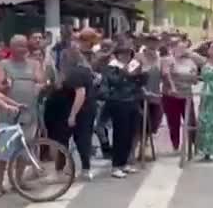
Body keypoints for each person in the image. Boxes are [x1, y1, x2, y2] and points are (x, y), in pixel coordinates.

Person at [0, 35, 45, 196]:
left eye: (24, 46)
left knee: (25, 147)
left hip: (29, 112)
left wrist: (39, 86)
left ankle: (18, 180)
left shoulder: (34, 64)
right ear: (11, 48)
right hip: (9, 112)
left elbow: (41, 80)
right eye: (18, 46)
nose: (22, 49)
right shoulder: (4, 64)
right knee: (4, 149)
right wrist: (5, 85)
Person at [51, 46, 98, 180]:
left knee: (65, 140)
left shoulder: (73, 73)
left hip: (78, 111)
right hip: (87, 110)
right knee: (84, 139)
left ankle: (62, 171)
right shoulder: (85, 70)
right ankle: (85, 169)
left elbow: (80, 93)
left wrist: (72, 114)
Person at [101, 44, 147, 178]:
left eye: (128, 53)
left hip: (132, 101)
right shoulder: (112, 67)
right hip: (118, 102)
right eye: (123, 53)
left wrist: (140, 77)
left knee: (130, 133)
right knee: (120, 134)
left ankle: (126, 162)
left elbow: (137, 83)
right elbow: (113, 82)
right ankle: (116, 165)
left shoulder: (133, 66)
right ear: (117, 55)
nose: (126, 56)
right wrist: (124, 73)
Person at [161, 39, 199, 153]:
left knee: (191, 121)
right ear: (173, 48)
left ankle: (195, 145)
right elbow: (166, 74)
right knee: (174, 121)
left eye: (184, 48)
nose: (182, 50)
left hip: (186, 94)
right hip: (171, 95)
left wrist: (194, 77)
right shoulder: (168, 59)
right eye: (180, 47)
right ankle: (175, 145)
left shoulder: (190, 61)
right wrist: (172, 87)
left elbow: (195, 79)